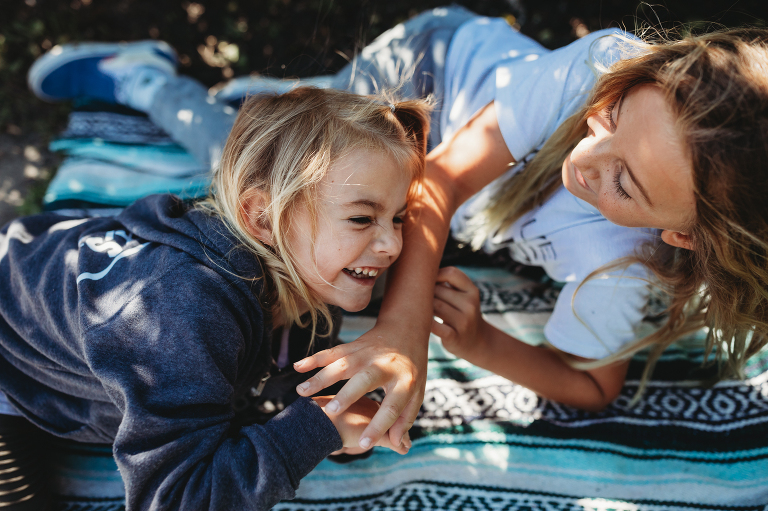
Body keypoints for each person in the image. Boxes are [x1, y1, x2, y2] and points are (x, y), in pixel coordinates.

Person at [289, 7, 768, 419]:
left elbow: (595, 387)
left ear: (682, 236)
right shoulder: (598, 68)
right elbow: (443, 178)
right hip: (428, 68)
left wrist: (481, 342)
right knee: (289, 142)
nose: (584, 158)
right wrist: (402, 329)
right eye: (612, 116)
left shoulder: (622, 268)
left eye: (623, 184)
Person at [0, 79, 431, 508]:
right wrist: (322, 426)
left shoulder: (309, 282)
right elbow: (177, 498)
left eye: (398, 218)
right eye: (361, 219)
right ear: (262, 217)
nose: (393, 245)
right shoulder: (181, 313)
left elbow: (284, 386)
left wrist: (340, 413)